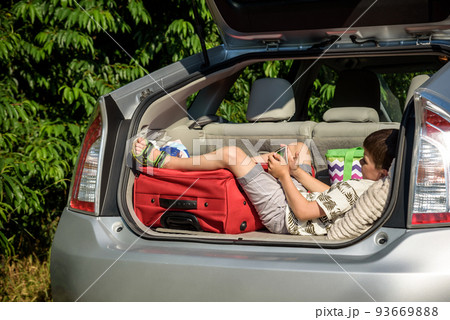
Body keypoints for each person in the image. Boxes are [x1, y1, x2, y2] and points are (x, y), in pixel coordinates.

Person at [132, 128, 398, 236]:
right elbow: (333, 193)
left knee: (232, 155)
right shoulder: (372, 188)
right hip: (299, 200)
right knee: (300, 149)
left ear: (383, 173)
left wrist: (283, 177)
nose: (360, 165)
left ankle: (168, 162)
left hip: (284, 216)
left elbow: (305, 212)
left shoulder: (362, 187)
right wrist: (295, 171)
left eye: (364, 161)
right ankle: (254, 165)